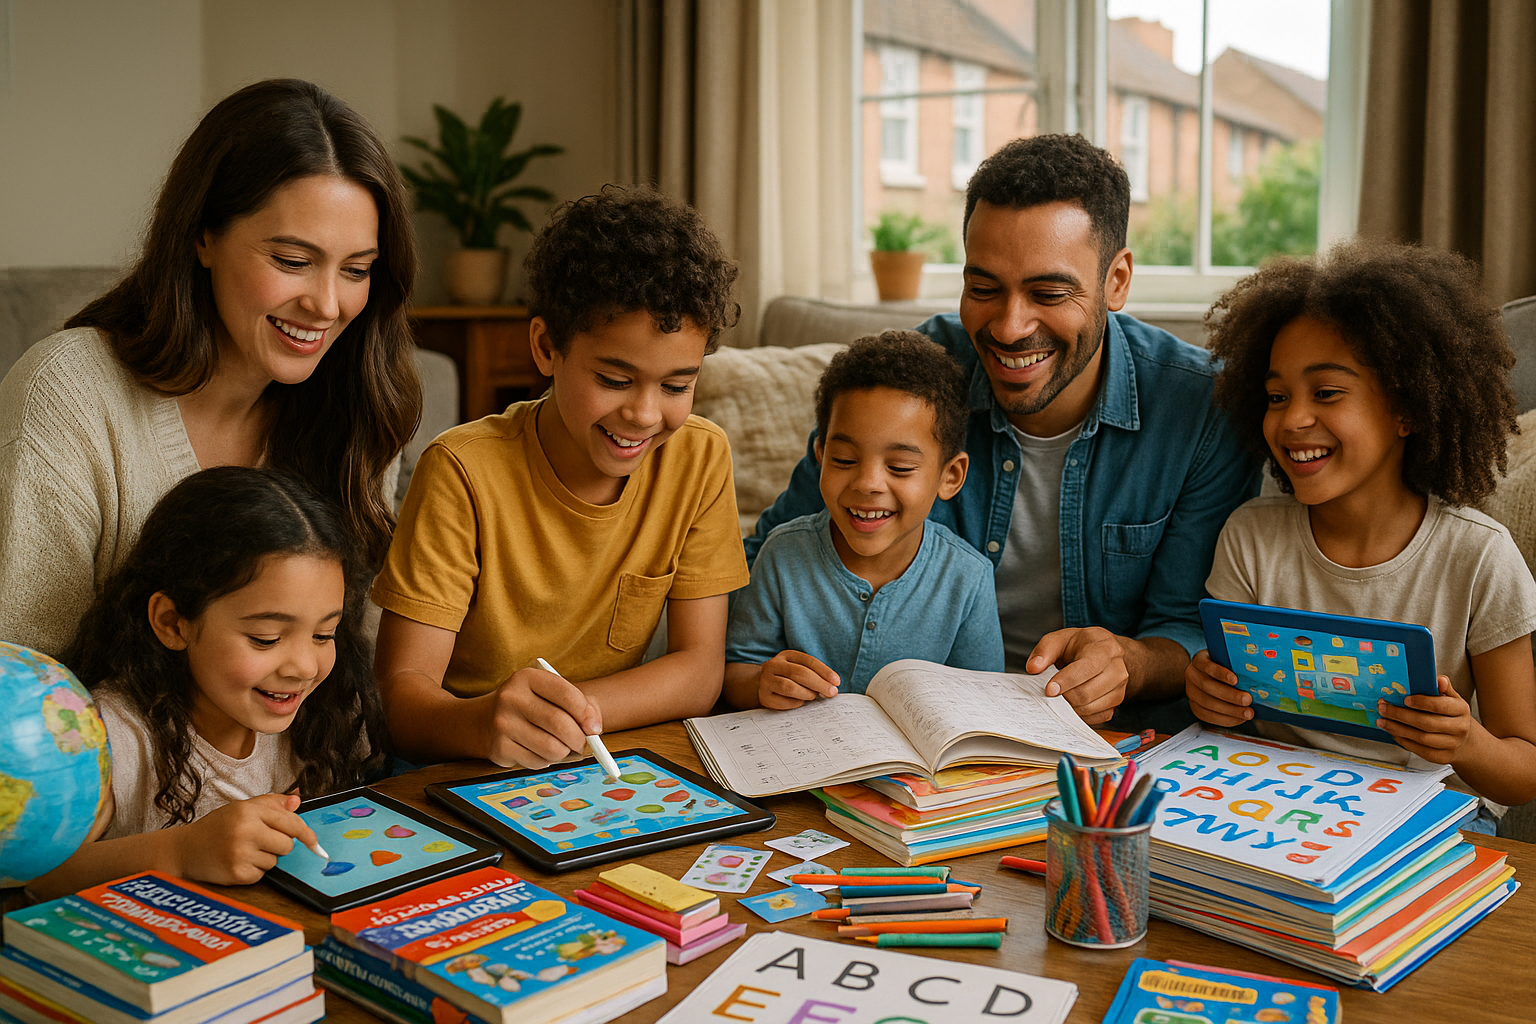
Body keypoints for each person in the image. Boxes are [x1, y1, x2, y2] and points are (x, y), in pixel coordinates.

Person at [750, 134, 1259, 724]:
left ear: (1116, 280)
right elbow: (772, 551)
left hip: (1098, 737)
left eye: (1049, 292)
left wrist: (1131, 662)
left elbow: (1189, 626)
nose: (1010, 327)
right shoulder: (909, 382)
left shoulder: (1201, 408)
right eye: (983, 289)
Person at [0, 78, 421, 659]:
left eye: (356, 270)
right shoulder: (67, 396)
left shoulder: (360, 407)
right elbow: (21, 675)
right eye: (292, 260)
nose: (327, 306)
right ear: (203, 236)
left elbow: (353, 665)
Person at [373, 185, 750, 769]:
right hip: (460, 766)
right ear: (547, 347)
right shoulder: (462, 471)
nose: (644, 414)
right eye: (615, 380)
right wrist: (485, 723)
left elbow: (699, 672)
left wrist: (568, 716)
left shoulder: (699, 457)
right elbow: (400, 701)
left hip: (593, 758)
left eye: (677, 385)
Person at [1186, 239, 1536, 826]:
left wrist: (1465, 741)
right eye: (1276, 397)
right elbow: (1233, 719)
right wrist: (1211, 696)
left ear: (1407, 410)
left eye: (1326, 392)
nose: (1293, 419)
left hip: (1431, 814)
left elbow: (1524, 771)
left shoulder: (1480, 557)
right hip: (1277, 801)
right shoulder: (1250, 537)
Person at [28, 468, 389, 898]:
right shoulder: (112, 740)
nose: (304, 667)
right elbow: (39, 876)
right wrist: (182, 851)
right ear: (173, 623)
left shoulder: (323, 717)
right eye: (266, 638)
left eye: (324, 635)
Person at [724, 332, 1003, 709]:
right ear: (820, 455)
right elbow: (735, 671)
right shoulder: (781, 555)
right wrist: (761, 683)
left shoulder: (968, 578)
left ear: (950, 476)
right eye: (844, 460)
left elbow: (985, 700)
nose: (868, 484)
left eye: (900, 467)